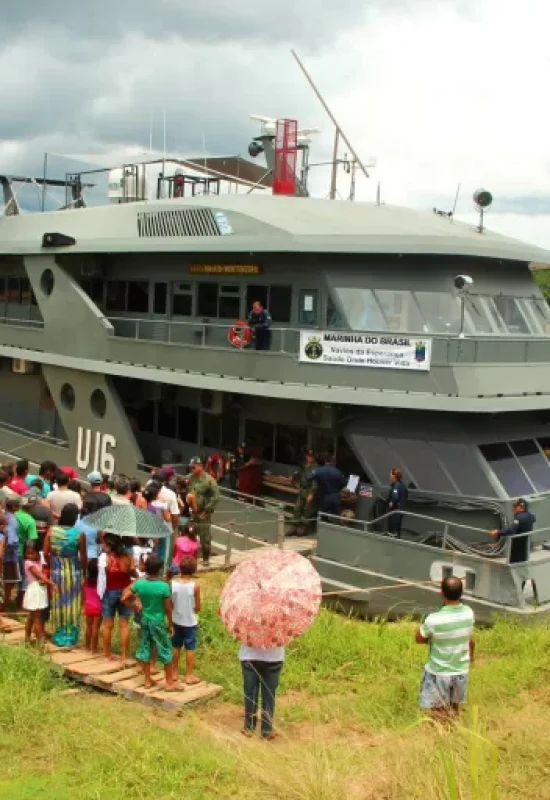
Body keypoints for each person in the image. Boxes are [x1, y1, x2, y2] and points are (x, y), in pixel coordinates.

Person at [416, 576, 475, 719]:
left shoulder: (433, 619)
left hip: (439, 672)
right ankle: (453, 734)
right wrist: (471, 658)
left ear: (442, 594)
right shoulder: (469, 613)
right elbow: (470, 639)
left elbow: (419, 638)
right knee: (455, 709)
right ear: (461, 594)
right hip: (461, 671)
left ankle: (441, 738)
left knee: (438, 713)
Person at [122, 554, 179, 690]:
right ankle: (169, 682)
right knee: (165, 649)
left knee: (146, 648)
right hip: (158, 622)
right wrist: (171, 624)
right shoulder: (163, 586)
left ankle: (147, 680)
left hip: (144, 621)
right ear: (159, 569)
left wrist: (135, 606)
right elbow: (168, 608)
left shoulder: (140, 583)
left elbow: (124, 598)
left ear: (146, 568)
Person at [44, 503, 82, 647]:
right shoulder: (79, 534)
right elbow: (83, 557)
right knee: (72, 603)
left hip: (57, 571)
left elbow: (46, 552)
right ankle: (71, 634)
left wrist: (53, 563)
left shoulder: (52, 530)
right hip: (73, 572)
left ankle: (59, 633)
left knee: (59, 601)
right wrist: (83, 571)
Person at [99, 534, 136, 663]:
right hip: (125, 592)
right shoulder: (127, 557)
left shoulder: (106, 558)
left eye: (105, 544)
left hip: (109, 591)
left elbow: (102, 575)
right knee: (124, 625)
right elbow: (133, 574)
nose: (103, 546)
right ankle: (124, 655)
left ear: (110, 545)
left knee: (108, 625)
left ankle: (107, 654)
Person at [240, 642, 284, 740]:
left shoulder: (246, 625)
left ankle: (249, 727)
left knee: (250, 692)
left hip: (249, 656)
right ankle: (267, 730)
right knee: (269, 693)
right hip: (274, 658)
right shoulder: (281, 626)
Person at [171, 557, 201, 685]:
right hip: (190, 621)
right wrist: (194, 608)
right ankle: (189, 675)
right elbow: (198, 607)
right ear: (193, 570)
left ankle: (174, 672)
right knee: (190, 647)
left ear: (180, 569)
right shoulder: (195, 586)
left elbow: (170, 602)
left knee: (176, 646)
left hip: (175, 619)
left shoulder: (173, 584)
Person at [185, 457, 220, 567]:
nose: (191, 469)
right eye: (190, 467)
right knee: (190, 534)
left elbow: (215, 497)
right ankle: (190, 559)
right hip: (191, 512)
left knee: (205, 536)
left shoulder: (209, 480)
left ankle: (205, 558)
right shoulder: (189, 478)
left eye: (193, 467)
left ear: (200, 466)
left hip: (203, 513)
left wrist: (207, 510)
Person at [22, 542, 57, 647]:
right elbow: (39, 575)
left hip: (40, 590)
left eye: (32, 553)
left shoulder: (39, 560)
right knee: (37, 619)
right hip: (34, 591)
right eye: (28, 554)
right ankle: (40, 643)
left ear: (37, 552)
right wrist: (52, 583)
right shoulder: (28, 563)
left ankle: (27, 639)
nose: (30, 556)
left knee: (31, 617)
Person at [489, 498, 535, 564]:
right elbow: (533, 519)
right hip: (526, 545)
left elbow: (511, 531)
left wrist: (497, 532)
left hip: (517, 546)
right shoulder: (530, 515)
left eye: (515, 507)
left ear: (520, 507)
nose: (513, 509)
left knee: (515, 564)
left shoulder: (518, 518)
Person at [14, 495, 39, 609]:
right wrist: (31, 556)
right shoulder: (30, 521)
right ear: (31, 506)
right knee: (24, 577)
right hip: (21, 552)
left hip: (10, 551)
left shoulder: (14, 515)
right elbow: (31, 541)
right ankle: (20, 604)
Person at [288, 448, 318, 536]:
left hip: (309, 490)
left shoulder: (315, 468)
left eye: (311, 456)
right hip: (302, 489)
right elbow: (298, 473)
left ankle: (303, 527)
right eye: (308, 456)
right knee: (297, 508)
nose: (309, 458)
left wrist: (312, 493)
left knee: (308, 510)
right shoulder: (304, 466)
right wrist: (293, 478)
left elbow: (315, 482)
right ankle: (294, 526)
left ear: (314, 457)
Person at [307, 454, 346, 518]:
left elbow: (308, 477)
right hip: (336, 497)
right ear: (331, 461)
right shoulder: (338, 472)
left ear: (324, 461)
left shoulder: (319, 470)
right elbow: (343, 484)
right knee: (336, 517)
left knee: (322, 516)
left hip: (324, 497)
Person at [82, 561, 102, 653]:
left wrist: (83, 606)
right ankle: (94, 648)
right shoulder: (100, 582)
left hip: (88, 606)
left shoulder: (85, 581)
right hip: (98, 606)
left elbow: (83, 595)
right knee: (95, 628)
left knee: (88, 626)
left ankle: (87, 646)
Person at [387, 468, 408, 539]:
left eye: (390, 474)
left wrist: (391, 503)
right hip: (400, 510)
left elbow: (395, 497)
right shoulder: (402, 485)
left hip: (395, 511)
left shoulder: (396, 485)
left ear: (394, 476)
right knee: (397, 528)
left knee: (393, 529)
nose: (389, 475)